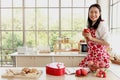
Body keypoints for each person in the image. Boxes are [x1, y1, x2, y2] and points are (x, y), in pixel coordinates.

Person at [79, 4, 110, 70]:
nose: (93, 14)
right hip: (91, 56)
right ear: (88, 13)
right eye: (91, 12)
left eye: (96, 12)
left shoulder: (102, 25)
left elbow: (107, 43)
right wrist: (85, 36)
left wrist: (91, 38)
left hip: (99, 58)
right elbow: (89, 44)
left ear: (100, 13)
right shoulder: (91, 25)